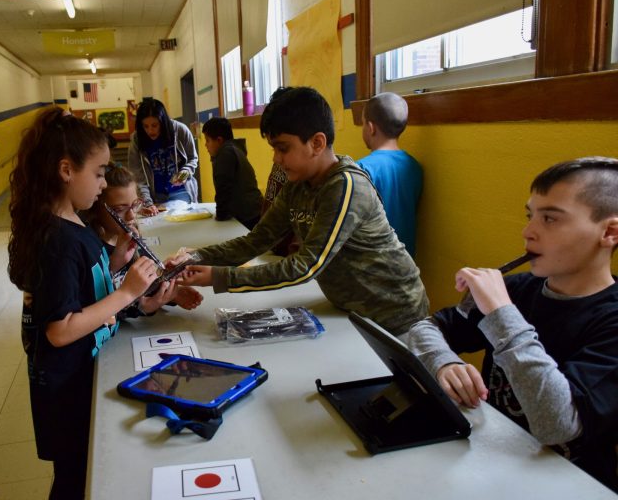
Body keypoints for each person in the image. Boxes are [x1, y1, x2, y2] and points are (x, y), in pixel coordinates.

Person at [408, 157, 618, 492]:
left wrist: (500, 312)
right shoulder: (520, 288)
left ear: (608, 232)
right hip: (495, 464)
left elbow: (558, 425)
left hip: (570, 484)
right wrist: (443, 361)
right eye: (529, 215)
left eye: (549, 218)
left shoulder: (609, 319)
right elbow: (424, 328)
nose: (528, 232)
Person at [177, 87, 429, 335]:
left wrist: (220, 278)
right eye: (274, 149)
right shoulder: (296, 186)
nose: (276, 159)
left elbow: (306, 266)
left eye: (283, 148)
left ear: (317, 143)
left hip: (397, 318)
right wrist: (196, 258)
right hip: (352, 313)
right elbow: (256, 241)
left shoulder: (345, 186)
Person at [8, 107, 161, 499]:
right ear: (65, 170)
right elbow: (59, 329)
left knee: (86, 468)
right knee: (75, 478)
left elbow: (78, 287)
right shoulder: (55, 239)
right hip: (67, 389)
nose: (102, 183)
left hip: (86, 372)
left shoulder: (73, 222)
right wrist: (126, 293)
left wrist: (115, 263)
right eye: (98, 172)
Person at [82, 165, 204, 316]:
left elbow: (138, 284)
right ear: (95, 208)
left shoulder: (129, 236)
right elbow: (97, 308)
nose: (132, 216)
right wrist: (142, 309)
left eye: (135, 205)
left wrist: (168, 290)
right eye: (120, 210)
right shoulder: (92, 250)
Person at [356, 92, 423, 257]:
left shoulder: (362, 168)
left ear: (371, 128)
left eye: (363, 123)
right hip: (405, 262)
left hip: (374, 263)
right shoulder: (414, 167)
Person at [127, 98, 198, 215]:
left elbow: (192, 159)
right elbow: (138, 177)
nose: (150, 130)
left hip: (180, 192)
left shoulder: (180, 131)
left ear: (163, 122)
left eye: (155, 125)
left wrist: (184, 173)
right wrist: (147, 203)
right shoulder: (137, 140)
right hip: (153, 195)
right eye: (146, 126)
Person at [201, 117, 263, 230]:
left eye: (208, 140)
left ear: (219, 140)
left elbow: (223, 187)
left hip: (245, 216)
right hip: (251, 212)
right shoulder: (233, 149)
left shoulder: (226, 153)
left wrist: (220, 216)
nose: (206, 145)